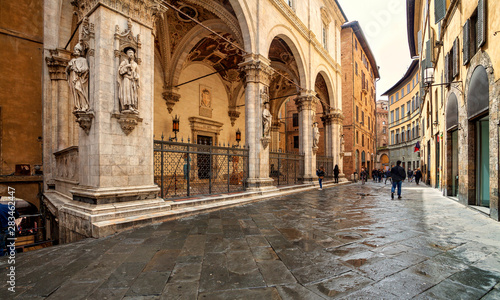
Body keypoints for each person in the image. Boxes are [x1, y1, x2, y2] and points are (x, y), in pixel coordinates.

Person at [66, 42, 89, 111]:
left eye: (77, 50)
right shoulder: (72, 61)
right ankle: (78, 106)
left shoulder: (83, 60)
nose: (75, 51)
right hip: (72, 78)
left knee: (78, 88)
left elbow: (86, 69)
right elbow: (67, 71)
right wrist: (69, 68)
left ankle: (84, 105)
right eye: (75, 50)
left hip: (79, 78)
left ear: (80, 51)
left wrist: (78, 70)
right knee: (75, 92)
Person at [118, 48, 140, 113]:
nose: (131, 54)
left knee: (133, 94)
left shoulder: (135, 64)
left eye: (132, 53)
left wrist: (135, 76)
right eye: (129, 53)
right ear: (127, 55)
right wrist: (127, 66)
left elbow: (138, 74)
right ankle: (127, 107)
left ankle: (132, 106)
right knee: (127, 93)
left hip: (132, 81)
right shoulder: (124, 62)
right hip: (126, 80)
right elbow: (120, 71)